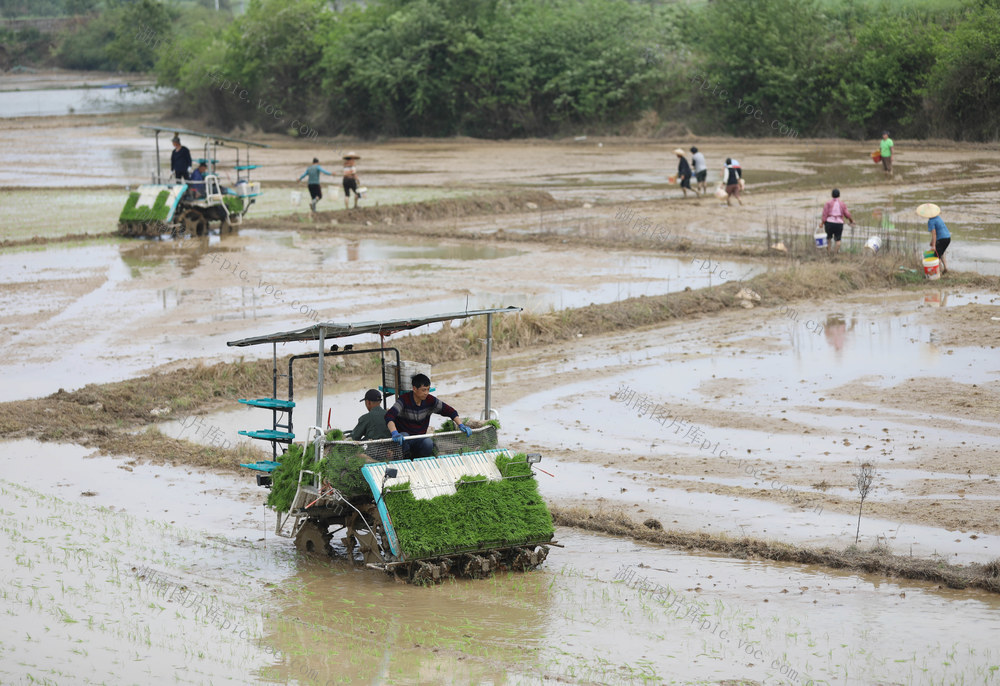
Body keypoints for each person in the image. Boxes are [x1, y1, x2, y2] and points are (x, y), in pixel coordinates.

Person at [384, 373, 472, 458]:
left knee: (428, 443)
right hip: (404, 438)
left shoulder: (430, 400)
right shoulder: (404, 400)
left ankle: (420, 460)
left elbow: (450, 411)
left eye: (428, 389)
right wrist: (395, 433)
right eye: (423, 390)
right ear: (414, 389)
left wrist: (461, 425)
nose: (426, 393)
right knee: (404, 436)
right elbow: (389, 416)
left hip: (420, 438)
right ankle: (404, 459)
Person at [819, 189, 856, 254]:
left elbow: (825, 214)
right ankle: (835, 253)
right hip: (839, 223)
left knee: (828, 238)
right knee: (838, 240)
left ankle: (828, 253)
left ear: (832, 195)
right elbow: (847, 214)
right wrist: (851, 220)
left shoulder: (828, 203)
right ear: (839, 195)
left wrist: (822, 223)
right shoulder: (842, 204)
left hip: (829, 223)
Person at [917, 203, 950, 274]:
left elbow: (934, 233)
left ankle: (939, 272)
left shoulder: (931, 221)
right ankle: (946, 268)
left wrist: (934, 246)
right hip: (948, 238)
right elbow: (938, 232)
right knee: (941, 253)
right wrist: (932, 242)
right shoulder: (938, 218)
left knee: (936, 255)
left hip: (941, 239)